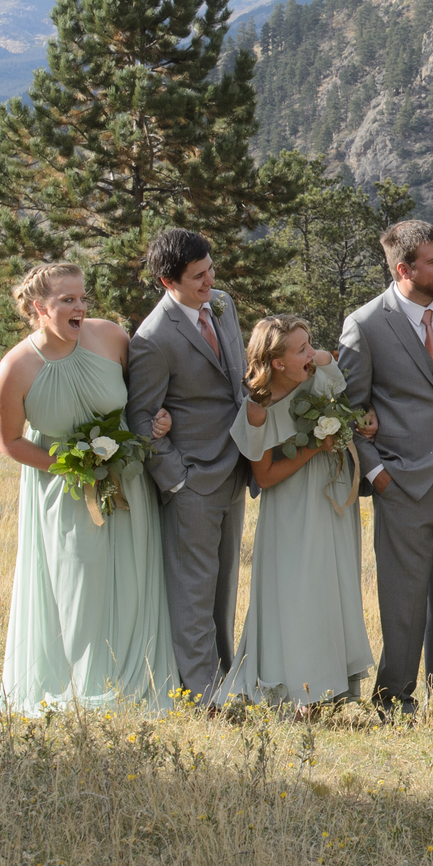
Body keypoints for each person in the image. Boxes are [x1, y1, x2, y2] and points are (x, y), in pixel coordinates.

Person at [0, 262, 178, 714]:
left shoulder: (111, 337)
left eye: (82, 298)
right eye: (67, 300)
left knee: (133, 579)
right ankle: (80, 682)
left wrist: (159, 420)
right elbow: (9, 441)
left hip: (128, 485)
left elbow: (144, 396)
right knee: (78, 585)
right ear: (40, 307)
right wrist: (72, 466)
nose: (80, 307)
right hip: (66, 492)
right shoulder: (16, 367)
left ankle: (136, 679)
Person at [337, 220, 433, 717]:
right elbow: (350, 412)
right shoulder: (365, 325)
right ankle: (393, 698)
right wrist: (378, 474)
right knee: (402, 599)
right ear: (404, 269)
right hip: (400, 481)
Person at [212, 315, 377, 713]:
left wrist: (358, 424)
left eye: (309, 344)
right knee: (297, 594)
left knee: (331, 588)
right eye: (300, 349)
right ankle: (292, 687)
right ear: (277, 362)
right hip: (291, 506)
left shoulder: (317, 371)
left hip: (334, 493)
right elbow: (264, 476)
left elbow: (332, 373)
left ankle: (327, 689)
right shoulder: (258, 409)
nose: (311, 353)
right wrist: (313, 449)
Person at [127, 228, 252, 707]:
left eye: (210, 270)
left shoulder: (221, 304)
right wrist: (177, 478)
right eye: (197, 277)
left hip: (236, 468)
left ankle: (223, 680)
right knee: (193, 591)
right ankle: (200, 694)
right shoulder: (153, 338)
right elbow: (141, 417)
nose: (209, 282)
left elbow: (233, 384)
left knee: (223, 586)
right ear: (167, 281)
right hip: (193, 481)